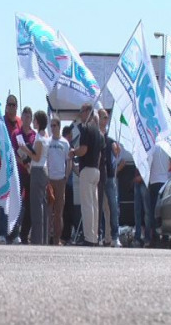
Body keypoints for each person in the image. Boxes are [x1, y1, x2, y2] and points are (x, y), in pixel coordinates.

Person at [72, 103, 104, 246]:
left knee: (87, 205)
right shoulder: (99, 132)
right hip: (96, 170)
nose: (80, 114)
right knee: (94, 206)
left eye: (81, 111)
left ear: (87, 112)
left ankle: (88, 237)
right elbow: (99, 154)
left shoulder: (86, 128)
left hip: (87, 169)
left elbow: (83, 150)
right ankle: (94, 236)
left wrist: (73, 152)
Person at [0, 94, 22, 244]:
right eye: (9, 105)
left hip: (17, 170)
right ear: (5, 106)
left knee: (15, 202)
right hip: (3, 168)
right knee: (3, 202)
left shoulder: (19, 122)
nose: (11, 107)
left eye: (14, 105)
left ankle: (14, 233)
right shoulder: (1, 122)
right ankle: (1, 233)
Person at [20, 110, 50, 245]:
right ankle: (43, 237)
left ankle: (37, 238)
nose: (33, 122)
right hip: (43, 169)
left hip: (38, 170)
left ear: (38, 121)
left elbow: (36, 156)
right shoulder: (46, 135)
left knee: (36, 206)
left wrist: (25, 150)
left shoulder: (39, 137)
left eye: (35, 120)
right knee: (42, 204)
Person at [10, 106, 36, 244]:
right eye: (24, 115)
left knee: (30, 204)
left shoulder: (34, 135)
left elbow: (36, 153)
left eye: (28, 116)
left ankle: (24, 234)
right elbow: (14, 152)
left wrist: (29, 163)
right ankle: (13, 233)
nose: (26, 118)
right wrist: (22, 163)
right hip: (19, 172)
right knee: (16, 203)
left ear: (31, 119)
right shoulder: (16, 133)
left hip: (31, 172)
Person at [98, 109, 121, 247]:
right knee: (98, 207)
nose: (105, 120)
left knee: (112, 206)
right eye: (103, 117)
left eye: (107, 117)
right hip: (99, 176)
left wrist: (116, 149)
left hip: (110, 176)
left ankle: (115, 236)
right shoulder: (95, 136)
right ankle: (99, 235)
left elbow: (116, 151)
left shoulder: (110, 138)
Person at [46, 117, 70, 245]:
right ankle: (46, 237)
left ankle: (56, 239)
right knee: (49, 211)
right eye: (51, 125)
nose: (53, 127)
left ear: (59, 127)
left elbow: (69, 161)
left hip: (60, 180)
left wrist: (66, 176)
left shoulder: (65, 143)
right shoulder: (47, 142)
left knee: (59, 211)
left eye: (55, 125)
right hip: (49, 180)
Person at [60, 126, 76, 244]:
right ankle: (63, 235)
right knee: (64, 210)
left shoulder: (70, 147)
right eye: (69, 136)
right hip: (64, 182)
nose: (71, 138)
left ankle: (66, 235)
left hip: (68, 183)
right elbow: (70, 165)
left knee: (68, 211)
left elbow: (72, 166)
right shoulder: (65, 146)